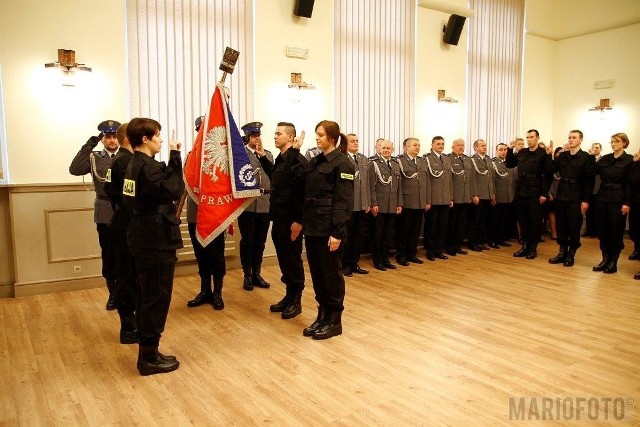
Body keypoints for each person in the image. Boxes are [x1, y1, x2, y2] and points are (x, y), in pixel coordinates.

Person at [123, 117, 183, 376]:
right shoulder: (146, 166)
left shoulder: (133, 165)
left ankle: (148, 351)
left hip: (141, 233)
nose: (160, 140)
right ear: (145, 139)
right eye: (157, 136)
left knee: (148, 295)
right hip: (155, 237)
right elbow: (173, 189)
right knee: (156, 297)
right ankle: (149, 356)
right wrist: (176, 155)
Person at [301, 120, 354, 340]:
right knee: (317, 273)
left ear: (332, 137)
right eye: (317, 134)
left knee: (331, 274)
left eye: (321, 135)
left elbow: (344, 201)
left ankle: (335, 320)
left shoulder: (343, 163)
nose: (317, 138)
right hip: (313, 225)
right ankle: (322, 314)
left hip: (329, 228)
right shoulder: (317, 161)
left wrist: (337, 233)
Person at [257, 122, 307, 319]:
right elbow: (278, 178)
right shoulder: (283, 159)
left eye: (278, 133)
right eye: (275, 133)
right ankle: (289, 295)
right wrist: (262, 158)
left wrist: (299, 221)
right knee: (284, 260)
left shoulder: (298, 162)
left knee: (293, 260)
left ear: (290, 137)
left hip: (292, 221)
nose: (275, 136)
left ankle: (297, 300)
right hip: (279, 219)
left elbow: (303, 195)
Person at [69, 119, 120, 310]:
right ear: (103, 139)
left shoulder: (127, 156)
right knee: (109, 254)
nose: (112, 140)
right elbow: (74, 169)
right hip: (105, 211)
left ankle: (125, 292)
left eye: (115, 136)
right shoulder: (94, 157)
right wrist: (90, 143)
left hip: (125, 211)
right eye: (108, 137)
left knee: (125, 253)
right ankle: (113, 293)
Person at [185, 116, 225, 311]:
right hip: (195, 212)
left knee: (216, 255)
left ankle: (217, 292)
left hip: (215, 213)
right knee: (200, 255)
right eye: (200, 130)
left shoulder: (222, 156)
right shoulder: (190, 156)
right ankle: (204, 290)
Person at [103, 122, 138, 344]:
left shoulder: (116, 162)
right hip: (130, 224)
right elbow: (134, 196)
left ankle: (128, 323)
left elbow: (108, 189)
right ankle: (129, 325)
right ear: (130, 138)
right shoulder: (130, 163)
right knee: (130, 276)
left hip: (119, 221)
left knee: (124, 274)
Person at [548, 130, 596, 267]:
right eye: (569, 137)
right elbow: (550, 169)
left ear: (580, 140)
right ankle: (562, 252)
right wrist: (549, 155)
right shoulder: (563, 156)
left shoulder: (586, 157)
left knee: (574, 226)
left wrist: (586, 200)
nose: (570, 140)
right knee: (561, 225)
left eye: (574, 137)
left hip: (576, 195)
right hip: (562, 194)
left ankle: (571, 253)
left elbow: (589, 180)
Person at [505, 129, 552, 260]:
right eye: (527, 137)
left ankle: (532, 248)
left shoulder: (543, 153)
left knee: (534, 221)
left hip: (535, 192)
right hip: (521, 192)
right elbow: (509, 164)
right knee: (523, 220)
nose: (529, 139)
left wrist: (544, 194)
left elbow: (548, 174)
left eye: (532, 137)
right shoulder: (522, 152)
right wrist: (510, 148)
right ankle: (524, 245)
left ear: (537, 138)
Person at [238, 122, 273, 291]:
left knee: (260, 241)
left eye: (258, 135)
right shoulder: (241, 156)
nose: (257, 138)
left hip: (264, 204)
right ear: (247, 137)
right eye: (253, 136)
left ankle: (257, 273)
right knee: (248, 242)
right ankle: (247, 274)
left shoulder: (268, 155)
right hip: (248, 204)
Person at [591, 133, 632, 274]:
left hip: (618, 199)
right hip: (602, 197)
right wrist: (592, 157)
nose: (613, 144)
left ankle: (613, 261)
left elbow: (629, 184)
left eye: (617, 141)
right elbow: (592, 172)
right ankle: (605, 258)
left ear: (624, 143)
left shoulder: (629, 160)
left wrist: (627, 203)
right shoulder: (605, 158)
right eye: (612, 141)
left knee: (615, 231)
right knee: (602, 231)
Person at [369, 139, 403, 270]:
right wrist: (373, 203)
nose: (386, 150)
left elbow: (399, 186)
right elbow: (371, 186)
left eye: (388, 148)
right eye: (383, 148)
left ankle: (386, 259)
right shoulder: (374, 164)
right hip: (380, 205)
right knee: (378, 235)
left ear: (392, 149)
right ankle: (378, 261)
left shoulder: (395, 164)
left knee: (388, 235)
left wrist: (399, 203)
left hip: (392, 205)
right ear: (380, 149)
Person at [394, 137, 427, 266]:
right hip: (407, 201)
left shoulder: (422, 161)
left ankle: (412, 254)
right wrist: (399, 202)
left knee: (415, 230)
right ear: (406, 147)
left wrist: (426, 200)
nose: (417, 147)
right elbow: (399, 184)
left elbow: (426, 182)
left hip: (419, 201)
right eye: (414, 145)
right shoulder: (400, 161)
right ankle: (401, 255)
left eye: (418, 145)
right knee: (403, 231)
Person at [342, 133, 371, 276]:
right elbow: (343, 179)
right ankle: (345, 265)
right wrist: (352, 176)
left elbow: (367, 183)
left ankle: (354, 263)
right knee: (346, 237)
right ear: (345, 144)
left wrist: (368, 202)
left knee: (358, 236)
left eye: (357, 141)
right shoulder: (342, 158)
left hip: (362, 204)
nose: (355, 143)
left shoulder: (363, 159)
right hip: (349, 204)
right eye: (352, 141)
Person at [424, 136, 453, 260]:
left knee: (442, 226)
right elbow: (427, 181)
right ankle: (430, 251)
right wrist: (428, 200)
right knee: (431, 226)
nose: (441, 146)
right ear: (432, 145)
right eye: (438, 144)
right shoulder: (427, 159)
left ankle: (438, 250)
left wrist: (450, 198)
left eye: (442, 144)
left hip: (445, 198)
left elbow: (449, 180)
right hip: (433, 199)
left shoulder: (446, 159)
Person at [446, 139, 474, 256]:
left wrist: (472, 194)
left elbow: (471, 179)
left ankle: (457, 246)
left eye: (462, 145)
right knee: (452, 223)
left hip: (465, 197)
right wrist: (450, 197)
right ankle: (450, 246)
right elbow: (448, 181)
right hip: (455, 197)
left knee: (461, 224)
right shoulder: (448, 159)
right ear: (453, 147)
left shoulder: (467, 159)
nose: (461, 147)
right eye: (458, 145)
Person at [468, 139, 495, 251]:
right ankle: (473, 242)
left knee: (483, 221)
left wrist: (493, 194)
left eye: (485, 145)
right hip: (478, 195)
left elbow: (491, 178)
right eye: (482, 146)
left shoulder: (488, 159)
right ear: (476, 148)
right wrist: (474, 194)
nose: (484, 147)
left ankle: (480, 241)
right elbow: (472, 179)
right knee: (475, 220)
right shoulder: (472, 160)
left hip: (488, 194)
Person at [490, 143, 515, 247]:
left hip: (508, 196)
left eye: (505, 149)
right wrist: (493, 195)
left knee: (504, 220)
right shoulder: (493, 163)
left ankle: (501, 239)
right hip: (498, 196)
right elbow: (491, 181)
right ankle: (493, 240)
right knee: (495, 220)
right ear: (496, 151)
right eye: (501, 149)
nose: (503, 151)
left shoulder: (510, 163)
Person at [584, 142, 603, 237]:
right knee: (589, 212)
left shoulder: (603, 160)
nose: (595, 149)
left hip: (599, 189)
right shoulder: (588, 159)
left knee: (598, 213)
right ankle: (589, 231)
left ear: (600, 149)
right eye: (593, 147)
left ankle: (597, 232)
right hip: (589, 190)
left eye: (597, 147)